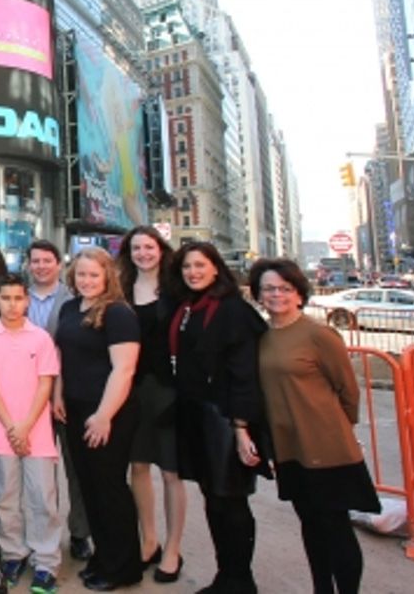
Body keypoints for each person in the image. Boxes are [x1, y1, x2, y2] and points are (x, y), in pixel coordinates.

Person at [250, 258, 380, 594]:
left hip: (327, 447)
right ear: (258, 294)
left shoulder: (318, 334)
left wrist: (336, 429)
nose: (275, 294)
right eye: (268, 288)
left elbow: (348, 391)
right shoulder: (262, 338)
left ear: (298, 293)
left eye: (284, 288)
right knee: (309, 524)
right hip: (288, 447)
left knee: (335, 526)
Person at [169, 242, 269, 594]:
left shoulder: (232, 311)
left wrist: (241, 426)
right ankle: (226, 576)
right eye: (186, 267)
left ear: (216, 268)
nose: (193, 272)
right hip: (197, 415)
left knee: (231, 501)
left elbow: (244, 372)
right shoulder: (188, 307)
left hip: (225, 419)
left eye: (200, 265)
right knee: (214, 499)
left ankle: (241, 580)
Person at [53, 247, 142, 591]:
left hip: (109, 414)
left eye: (94, 274)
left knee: (110, 490)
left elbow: (124, 369)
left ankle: (124, 567)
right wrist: (58, 395)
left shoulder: (118, 313)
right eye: (81, 274)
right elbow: (63, 357)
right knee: (89, 489)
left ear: (107, 277)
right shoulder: (70, 308)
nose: (87, 280)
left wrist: (104, 415)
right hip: (74, 410)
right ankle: (105, 558)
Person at [0, 274, 61, 593]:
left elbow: (45, 383)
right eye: (6, 298)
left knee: (42, 497)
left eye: (18, 298)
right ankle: (13, 553)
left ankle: (46, 561)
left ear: (27, 301)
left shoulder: (40, 338)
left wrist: (25, 426)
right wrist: (11, 427)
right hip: (1, 431)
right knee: (7, 498)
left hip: (36, 430)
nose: (12, 305)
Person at [115, 226, 186, 582]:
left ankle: (173, 549)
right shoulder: (122, 289)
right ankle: (150, 540)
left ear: (161, 249)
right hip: (132, 388)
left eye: (149, 246)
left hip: (168, 389)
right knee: (138, 468)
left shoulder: (176, 287)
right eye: (136, 247)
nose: (143, 253)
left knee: (171, 472)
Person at [26, 239, 88, 561]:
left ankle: (79, 532)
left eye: (46, 261)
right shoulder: (16, 297)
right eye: (35, 261)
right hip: (24, 396)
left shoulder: (74, 299)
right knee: (36, 473)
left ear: (58, 264)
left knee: (74, 466)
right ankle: (36, 534)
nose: (40, 266)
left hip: (66, 394)